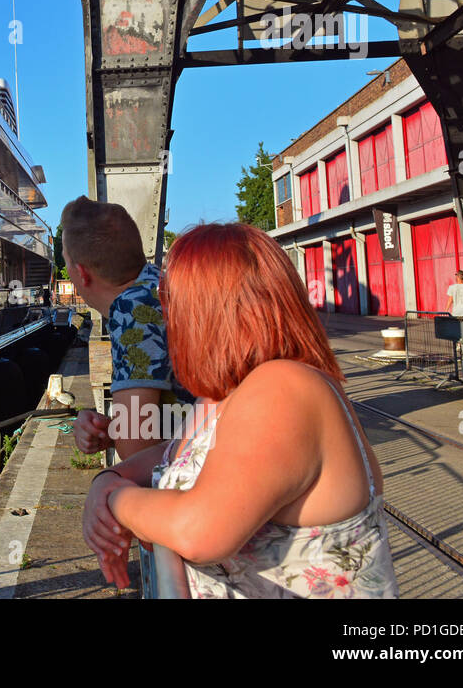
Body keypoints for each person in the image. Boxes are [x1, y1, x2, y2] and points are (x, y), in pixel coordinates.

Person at [82, 223, 399, 598]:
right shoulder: (232, 392)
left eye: (172, 297)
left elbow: (199, 531)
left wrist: (115, 501)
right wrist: (108, 479)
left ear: (208, 309)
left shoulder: (284, 389)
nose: (167, 312)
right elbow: (172, 454)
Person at [59, 195, 192, 461]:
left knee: (109, 489)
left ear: (81, 274)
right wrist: (112, 431)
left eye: (65, 262)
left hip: (215, 472)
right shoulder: (156, 285)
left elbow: (136, 451)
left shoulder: (132, 312)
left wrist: (123, 435)